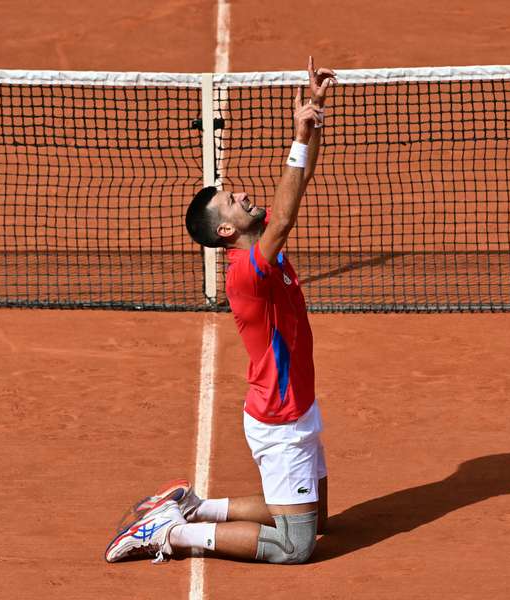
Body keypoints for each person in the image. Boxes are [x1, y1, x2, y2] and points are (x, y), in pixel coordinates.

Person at [104, 56, 336, 565]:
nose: (245, 195)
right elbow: (289, 211)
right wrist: (299, 134)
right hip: (282, 418)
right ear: (227, 231)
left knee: (317, 518)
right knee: (296, 546)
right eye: (233, 200)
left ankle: (193, 508)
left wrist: (312, 114)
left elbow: (296, 188)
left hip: (298, 405)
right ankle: (174, 536)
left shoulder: (260, 247)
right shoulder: (247, 270)